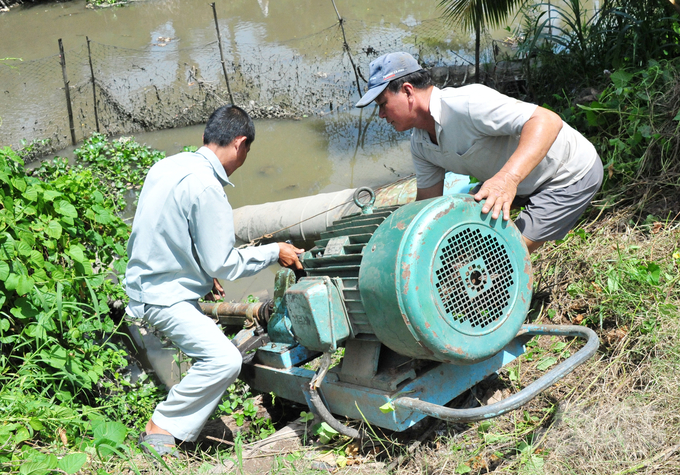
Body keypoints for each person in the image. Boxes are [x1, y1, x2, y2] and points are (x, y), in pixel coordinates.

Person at [124, 105, 303, 456]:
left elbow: (167, 231)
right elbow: (224, 261)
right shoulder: (207, 187)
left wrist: (204, 273)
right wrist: (274, 251)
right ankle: (160, 429)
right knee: (224, 359)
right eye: (248, 150)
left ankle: (173, 421)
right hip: (163, 295)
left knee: (214, 354)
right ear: (240, 144)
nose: (245, 158)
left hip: (145, 283)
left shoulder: (168, 166)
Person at [356, 52, 603, 253]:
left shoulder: (467, 104)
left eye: (383, 104)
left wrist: (507, 179)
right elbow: (428, 206)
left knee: (502, 253)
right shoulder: (420, 144)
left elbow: (547, 120)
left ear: (408, 91)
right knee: (464, 221)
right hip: (520, 181)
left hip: (568, 175)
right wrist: (401, 238)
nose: (381, 115)